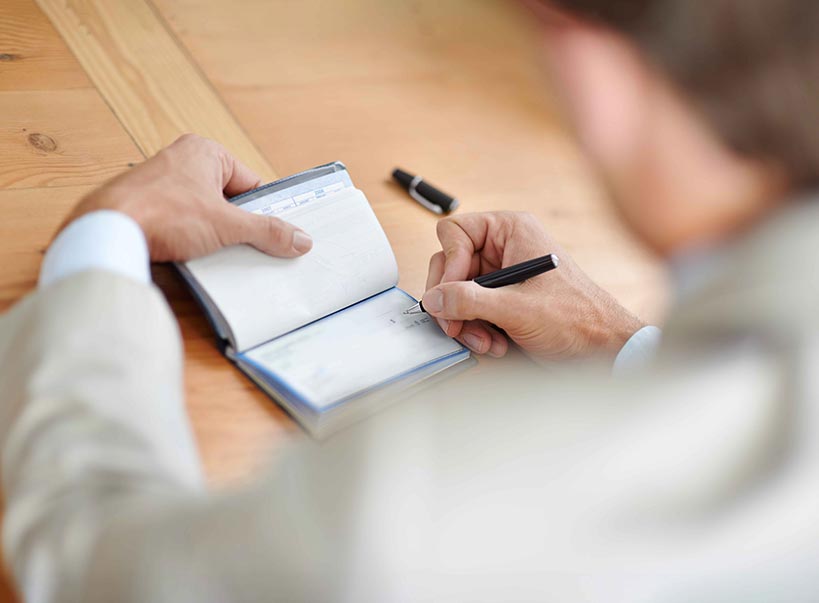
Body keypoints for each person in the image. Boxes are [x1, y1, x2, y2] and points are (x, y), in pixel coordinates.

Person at [1, 0, 818, 601]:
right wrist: (614, 338)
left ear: (587, 65)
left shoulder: (424, 499)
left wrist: (102, 244)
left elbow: (93, 568)